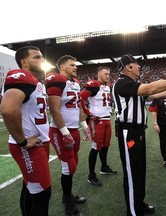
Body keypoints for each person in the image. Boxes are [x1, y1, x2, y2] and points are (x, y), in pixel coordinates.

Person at [112, 53, 166, 216]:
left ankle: (139, 204)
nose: (139, 66)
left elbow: (156, 94)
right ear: (128, 67)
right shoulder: (122, 83)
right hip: (128, 133)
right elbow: (151, 88)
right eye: (136, 64)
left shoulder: (133, 85)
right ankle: (133, 212)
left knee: (140, 170)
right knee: (131, 173)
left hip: (138, 132)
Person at [0, 46, 51, 215]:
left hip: (39, 142)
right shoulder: (21, 76)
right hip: (30, 146)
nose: (42, 60)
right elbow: (7, 109)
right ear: (24, 62)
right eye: (37, 57)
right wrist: (22, 140)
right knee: (42, 194)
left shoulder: (36, 81)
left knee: (31, 188)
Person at [45, 55, 89, 216]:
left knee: (74, 162)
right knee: (68, 165)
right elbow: (54, 109)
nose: (76, 67)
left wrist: (83, 125)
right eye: (72, 65)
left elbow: (79, 106)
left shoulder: (75, 83)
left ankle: (68, 195)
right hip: (60, 130)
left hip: (73, 128)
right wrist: (64, 133)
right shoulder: (56, 79)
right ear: (62, 67)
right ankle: (68, 203)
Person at [79, 66, 117, 187]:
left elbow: (106, 102)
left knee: (106, 145)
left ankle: (104, 167)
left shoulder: (108, 86)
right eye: (106, 74)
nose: (108, 76)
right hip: (97, 121)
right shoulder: (93, 85)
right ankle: (91, 175)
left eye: (109, 74)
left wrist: (110, 111)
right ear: (99, 75)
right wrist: (89, 114)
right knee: (96, 147)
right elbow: (79, 99)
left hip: (106, 119)